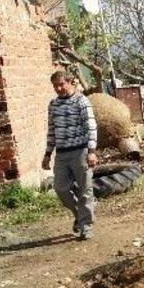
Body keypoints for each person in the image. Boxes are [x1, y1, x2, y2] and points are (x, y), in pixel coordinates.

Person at [42, 71, 98, 240]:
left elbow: (91, 126)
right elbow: (52, 130)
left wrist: (92, 151)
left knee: (85, 190)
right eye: (55, 85)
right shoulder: (53, 105)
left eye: (61, 84)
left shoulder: (81, 101)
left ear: (70, 82)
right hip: (62, 154)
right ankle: (79, 215)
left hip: (81, 152)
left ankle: (85, 225)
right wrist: (47, 154)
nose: (58, 88)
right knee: (61, 189)